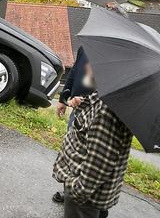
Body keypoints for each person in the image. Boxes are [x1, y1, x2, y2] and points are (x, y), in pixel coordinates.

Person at [53, 62, 133, 218]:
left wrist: (76, 191)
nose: (87, 67)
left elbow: (99, 162)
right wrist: (83, 104)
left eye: (94, 62)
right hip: (88, 193)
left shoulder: (106, 111)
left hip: (84, 200)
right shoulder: (105, 95)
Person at [53, 46, 96, 207]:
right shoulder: (85, 47)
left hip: (96, 112)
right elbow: (74, 72)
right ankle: (70, 192)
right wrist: (63, 98)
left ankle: (86, 199)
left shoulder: (111, 54)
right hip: (76, 110)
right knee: (71, 152)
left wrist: (85, 99)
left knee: (87, 156)